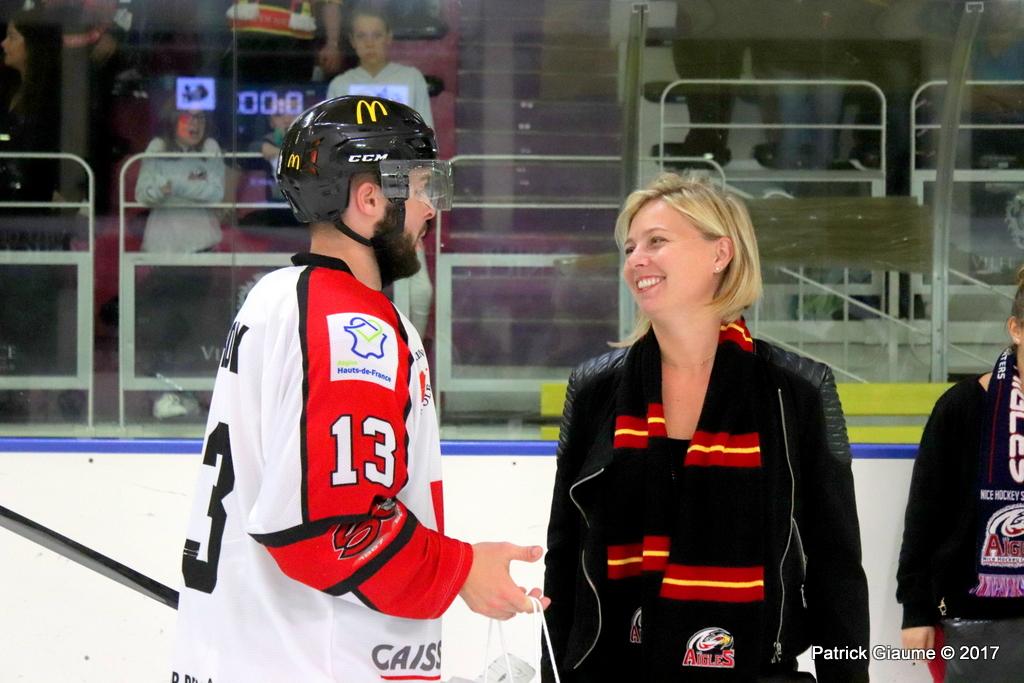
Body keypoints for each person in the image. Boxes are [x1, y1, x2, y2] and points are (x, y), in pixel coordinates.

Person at [169, 95, 548, 681]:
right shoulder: (349, 322)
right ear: (370, 198)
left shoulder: (279, 296)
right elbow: (331, 528)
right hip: (315, 664)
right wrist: (460, 569)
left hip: (251, 652)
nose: (431, 208)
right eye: (421, 187)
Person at [542, 173, 869, 682]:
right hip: (614, 673)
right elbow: (564, 560)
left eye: (657, 241)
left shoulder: (798, 390)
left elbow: (836, 569)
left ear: (721, 253)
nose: (636, 260)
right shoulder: (594, 390)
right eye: (630, 248)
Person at [897, 266, 1024, 683]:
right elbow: (924, 516)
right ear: (1015, 329)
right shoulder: (961, 407)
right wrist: (916, 610)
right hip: (973, 618)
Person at [326, 6, 432, 127]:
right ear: (352, 41)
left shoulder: (412, 78)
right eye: (361, 36)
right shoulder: (339, 85)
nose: (369, 44)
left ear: (388, 37)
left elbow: (426, 131)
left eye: (377, 35)